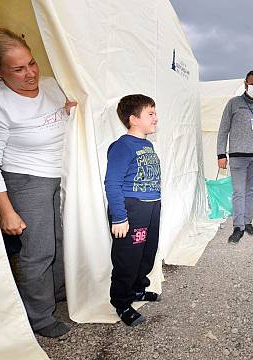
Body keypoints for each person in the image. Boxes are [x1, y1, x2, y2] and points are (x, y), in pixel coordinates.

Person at [0, 28, 76, 338]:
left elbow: (68, 113)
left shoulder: (51, 85)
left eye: (32, 63)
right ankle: (38, 316)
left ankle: (56, 291)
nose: (30, 74)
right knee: (38, 250)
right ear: (0, 71)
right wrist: (6, 210)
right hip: (25, 180)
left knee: (61, 241)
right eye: (18, 69)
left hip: (60, 173)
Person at [104, 94, 162, 327]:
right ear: (133, 119)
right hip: (132, 208)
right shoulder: (121, 146)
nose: (156, 118)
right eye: (151, 113)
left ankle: (138, 289)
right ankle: (121, 302)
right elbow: (112, 183)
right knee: (127, 258)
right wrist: (119, 217)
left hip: (152, 206)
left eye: (155, 112)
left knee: (147, 253)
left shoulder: (147, 144)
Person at [217, 70, 253, 244]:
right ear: (245, 83)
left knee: (251, 191)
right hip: (237, 157)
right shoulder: (233, 104)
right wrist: (221, 154)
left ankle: (247, 222)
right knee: (238, 192)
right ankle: (238, 226)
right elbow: (223, 130)